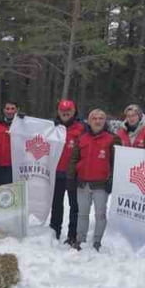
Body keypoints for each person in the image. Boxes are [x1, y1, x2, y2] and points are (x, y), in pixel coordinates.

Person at [67, 109, 117, 251]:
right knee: (82, 214)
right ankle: (80, 239)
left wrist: (112, 179)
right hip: (82, 183)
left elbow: (116, 162)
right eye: (94, 118)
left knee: (100, 214)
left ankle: (97, 240)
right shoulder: (82, 138)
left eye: (101, 118)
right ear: (89, 121)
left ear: (104, 121)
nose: (97, 121)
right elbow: (74, 159)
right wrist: (71, 177)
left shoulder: (112, 139)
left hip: (101, 185)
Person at [52, 99, 86, 242]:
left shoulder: (82, 128)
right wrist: (22, 121)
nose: (65, 113)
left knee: (75, 206)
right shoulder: (52, 126)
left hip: (74, 174)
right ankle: (54, 231)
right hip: (55, 172)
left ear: (74, 111)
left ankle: (72, 234)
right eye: (62, 111)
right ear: (58, 112)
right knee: (56, 204)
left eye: (68, 111)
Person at [0, 102, 18, 186]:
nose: (10, 111)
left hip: (15, 166)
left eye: (12, 109)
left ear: (17, 110)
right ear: (4, 110)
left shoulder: (22, 125)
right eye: (7, 109)